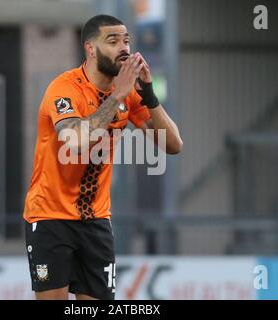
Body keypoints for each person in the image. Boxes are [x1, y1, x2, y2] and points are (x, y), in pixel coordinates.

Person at [23, 14, 183, 300]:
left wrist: (148, 93)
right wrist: (118, 97)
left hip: (96, 220)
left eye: (126, 41)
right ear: (90, 49)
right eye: (113, 41)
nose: (123, 47)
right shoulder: (64, 88)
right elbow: (74, 141)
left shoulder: (129, 95)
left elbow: (173, 144)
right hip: (50, 216)